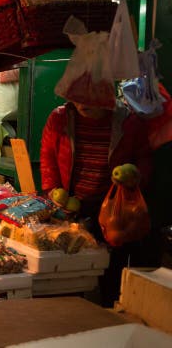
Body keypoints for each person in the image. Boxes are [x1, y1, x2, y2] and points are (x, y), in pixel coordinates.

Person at [41, 98, 153, 306]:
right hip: (71, 211)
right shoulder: (59, 118)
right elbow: (48, 157)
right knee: (69, 280)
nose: (82, 101)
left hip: (112, 213)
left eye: (90, 94)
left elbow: (144, 158)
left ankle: (107, 320)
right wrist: (52, 191)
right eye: (77, 93)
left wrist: (135, 178)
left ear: (106, 91)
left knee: (111, 276)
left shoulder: (129, 122)